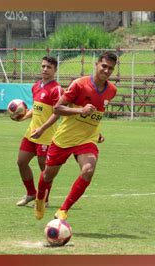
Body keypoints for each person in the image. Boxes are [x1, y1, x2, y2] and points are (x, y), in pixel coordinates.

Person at [34, 51, 118, 220]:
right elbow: (57, 108)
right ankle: (40, 196)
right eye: (104, 66)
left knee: (88, 170)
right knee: (48, 175)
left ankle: (63, 211)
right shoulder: (79, 85)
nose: (107, 71)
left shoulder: (112, 90)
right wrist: (80, 110)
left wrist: (97, 131)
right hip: (64, 138)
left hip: (87, 139)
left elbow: (96, 114)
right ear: (96, 65)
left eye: (111, 68)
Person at [14, 56, 63, 207]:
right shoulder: (36, 86)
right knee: (21, 162)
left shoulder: (57, 89)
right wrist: (22, 118)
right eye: (43, 66)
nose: (45, 69)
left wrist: (42, 128)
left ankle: (44, 199)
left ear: (55, 70)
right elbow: (36, 110)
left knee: (46, 171)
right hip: (31, 134)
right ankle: (31, 193)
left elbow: (57, 113)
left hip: (46, 136)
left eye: (48, 67)